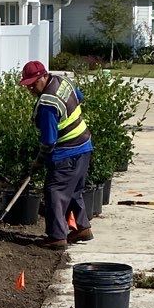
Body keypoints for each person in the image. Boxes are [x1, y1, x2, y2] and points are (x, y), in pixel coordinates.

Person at [19, 59, 94, 249]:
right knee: (73, 190)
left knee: (55, 192)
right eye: (27, 85)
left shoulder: (47, 104)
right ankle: (82, 228)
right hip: (84, 145)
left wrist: (38, 162)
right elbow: (79, 97)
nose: (31, 89)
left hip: (67, 153)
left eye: (33, 83)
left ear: (44, 76)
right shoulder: (63, 82)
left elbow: (49, 141)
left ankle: (57, 237)